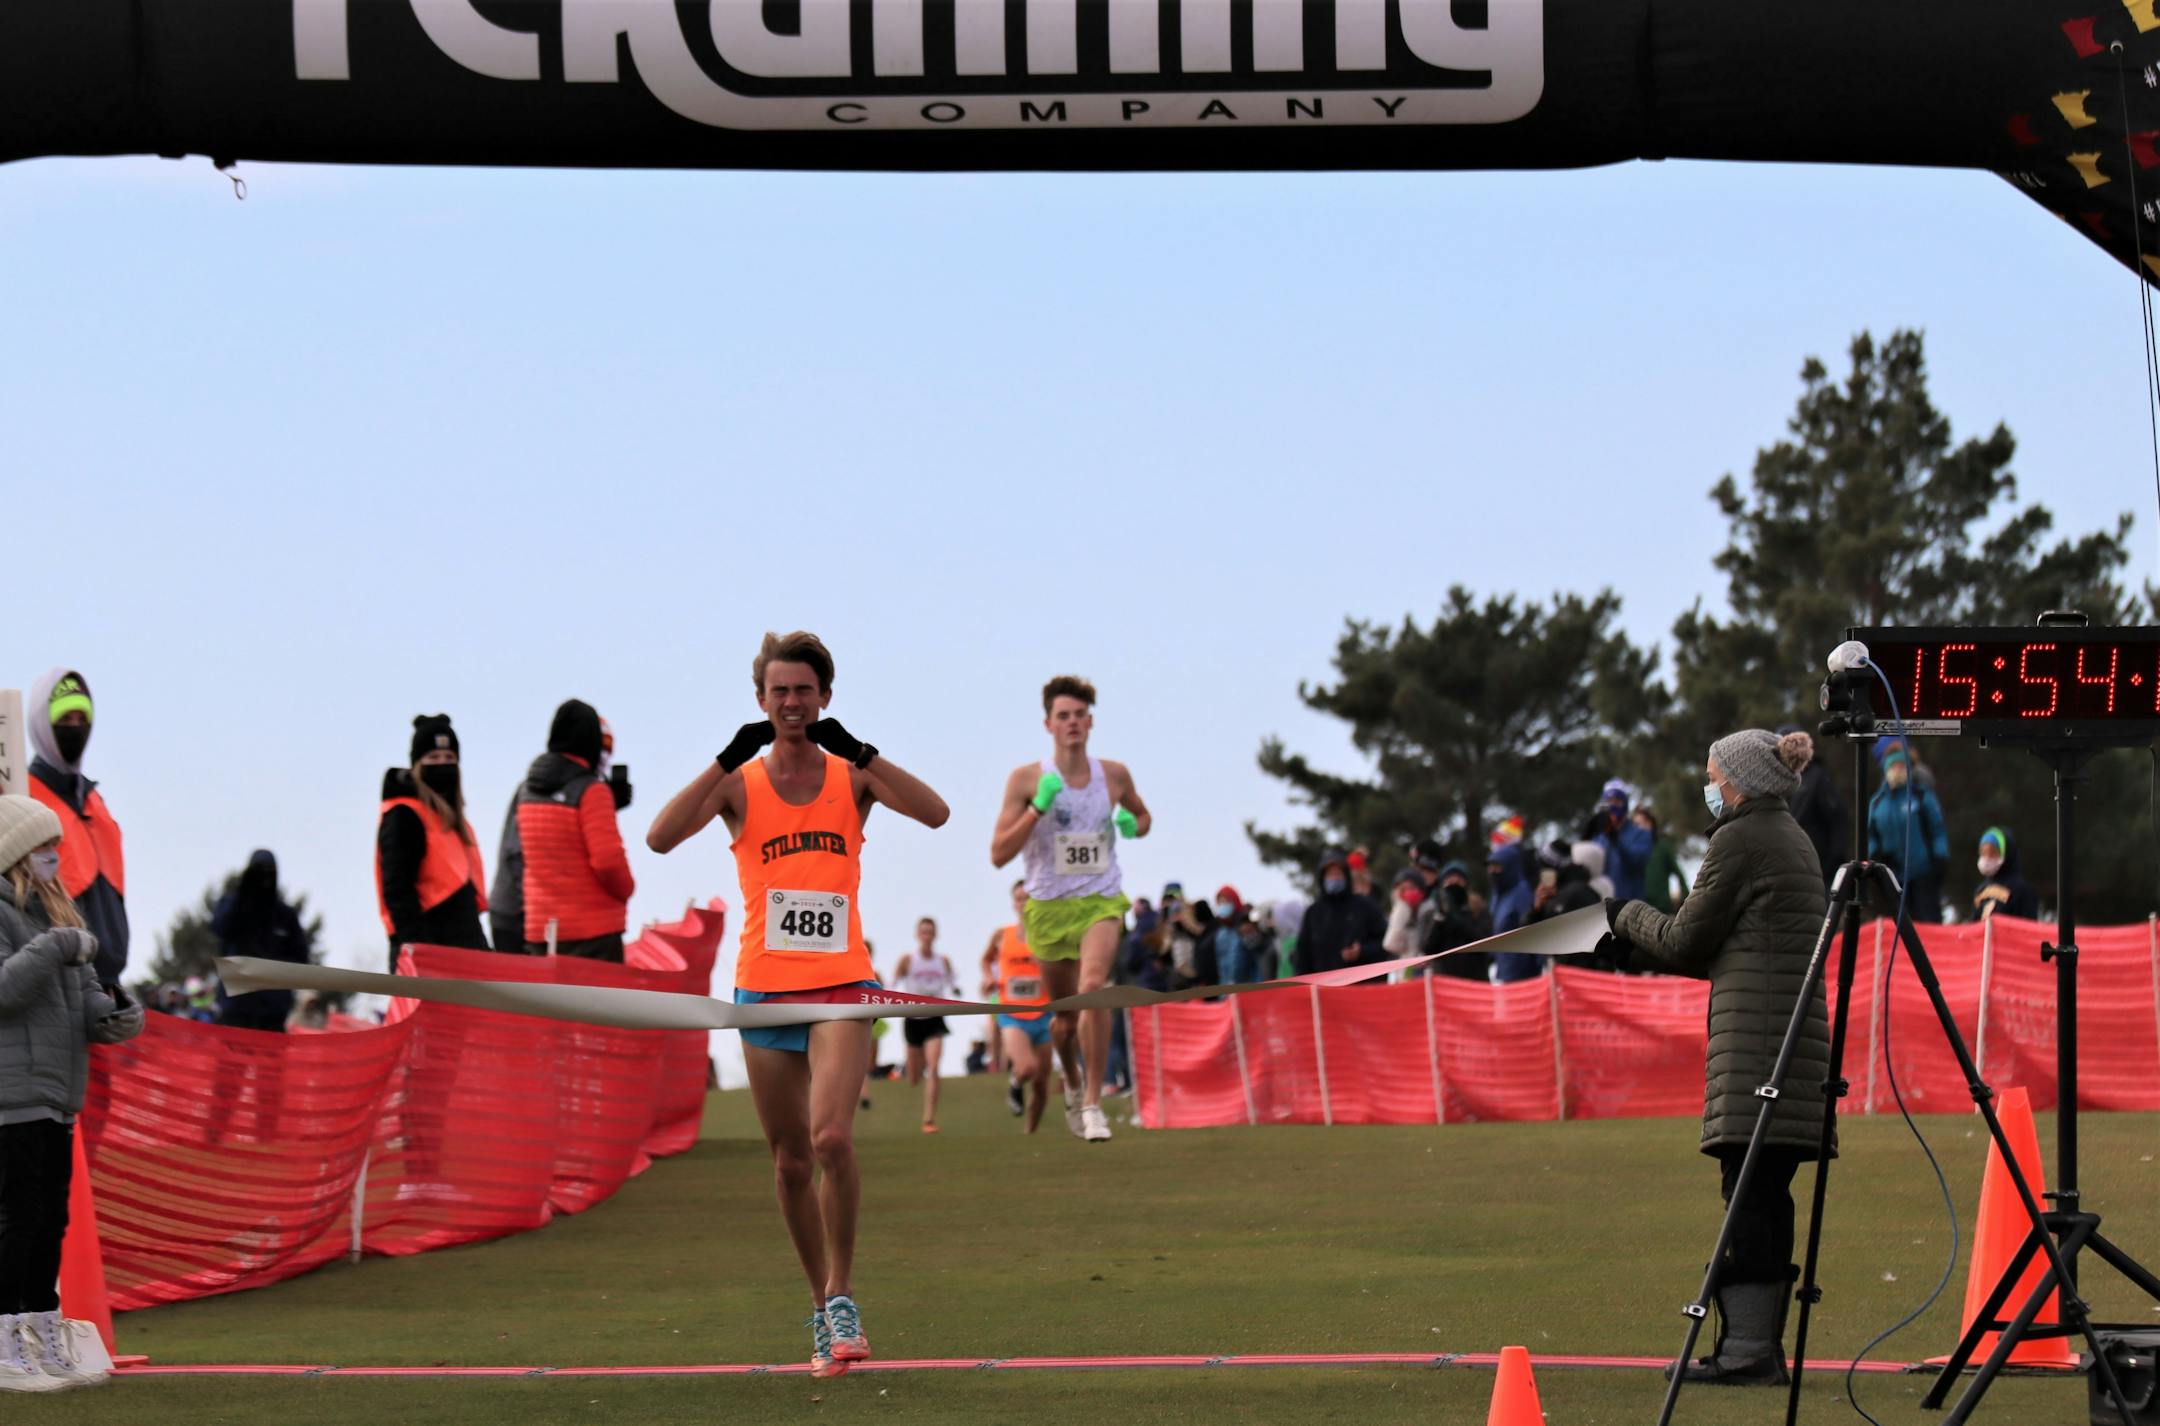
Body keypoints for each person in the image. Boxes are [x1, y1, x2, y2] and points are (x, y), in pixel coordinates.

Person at [646, 630, 948, 1379]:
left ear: (825, 698)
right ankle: (820, 1309)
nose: (791, 703)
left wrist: (866, 753)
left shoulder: (852, 776)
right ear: (760, 701)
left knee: (832, 1140)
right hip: (762, 992)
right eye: (779, 691)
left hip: (843, 987)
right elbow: (657, 839)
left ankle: (844, 1296)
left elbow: (937, 814)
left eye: (804, 691)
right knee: (788, 1163)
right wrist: (722, 759)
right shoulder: (738, 783)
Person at [1601, 729, 1830, 1388]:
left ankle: (1749, 1351)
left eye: (1712, 774)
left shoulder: (1741, 838)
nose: (1709, 786)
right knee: (1762, 1193)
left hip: (1759, 1051)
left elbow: (1687, 935)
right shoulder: (1790, 838)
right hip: (1787, 1045)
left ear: (1737, 779)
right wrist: (1637, 951)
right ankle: (1752, 1345)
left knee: (1751, 1198)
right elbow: (1730, 949)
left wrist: (1622, 917)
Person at [0, 794, 144, 1391]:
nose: (54, 857)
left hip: (60, 1096)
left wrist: (117, 1013)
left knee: (47, 1220)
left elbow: (86, 1000)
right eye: (43, 847)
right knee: (15, 1218)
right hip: (12, 1094)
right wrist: (55, 947)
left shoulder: (63, 914)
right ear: (16, 853)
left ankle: (41, 1325)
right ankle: (5, 1335)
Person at [990, 675, 1150, 1145]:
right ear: (1048, 724)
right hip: (1047, 908)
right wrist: (1037, 809)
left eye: (1080, 715)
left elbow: (1142, 816)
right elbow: (999, 854)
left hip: (1101, 899)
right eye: (1064, 716)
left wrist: (1131, 822)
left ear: (1091, 721)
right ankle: (1074, 1083)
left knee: (1095, 988)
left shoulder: (1114, 775)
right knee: (1063, 1021)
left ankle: (1095, 1103)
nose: (1073, 723)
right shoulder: (1026, 779)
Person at [500, 700, 637, 960]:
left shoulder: (528, 791)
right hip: (594, 933)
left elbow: (557, 838)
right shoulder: (592, 791)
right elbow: (608, 862)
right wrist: (627, 889)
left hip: (543, 932)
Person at [24, 670, 127, 985]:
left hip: (107, 981)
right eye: (63, 718)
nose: (74, 727)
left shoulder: (95, 801)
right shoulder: (22, 796)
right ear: (43, 723)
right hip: (57, 977)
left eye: (81, 717)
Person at [376, 714, 489, 966]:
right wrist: (420, 953)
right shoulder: (404, 814)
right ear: (417, 764)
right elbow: (398, 890)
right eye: (433, 758)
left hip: (464, 951)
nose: (442, 765)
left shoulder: (456, 824)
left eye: (449, 758)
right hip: (429, 951)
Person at [211, 850, 310, 1031]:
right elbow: (220, 927)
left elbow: (301, 958)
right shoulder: (233, 904)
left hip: (272, 1014)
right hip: (235, 1009)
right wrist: (244, 892)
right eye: (258, 870)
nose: (263, 876)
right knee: (231, 1058)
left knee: (271, 1059)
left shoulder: (285, 916)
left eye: (269, 871)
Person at [987, 882, 1055, 1132]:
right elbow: (986, 960)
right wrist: (988, 978)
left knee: (1041, 1082)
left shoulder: (1048, 934)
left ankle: (1031, 1131)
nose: (1023, 903)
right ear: (1013, 903)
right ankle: (1015, 1085)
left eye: (1028, 898)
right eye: (1019, 898)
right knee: (1027, 1067)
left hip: (1044, 1013)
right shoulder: (1002, 935)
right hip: (1012, 1013)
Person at [1865, 738, 1950, 926]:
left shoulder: (1922, 796)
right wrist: (1875, 856)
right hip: (1893, 878)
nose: (1898, 769)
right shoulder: (1878, 802)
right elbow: (1871, 835)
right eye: (1894, 765)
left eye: (1901, 765)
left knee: (1927, 923)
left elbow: (1937, 828)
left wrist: (1940, 858)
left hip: (1922, 874)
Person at [893, 917, 958, 1134]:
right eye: (923, 932)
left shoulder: (943, 961)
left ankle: (928, 1119)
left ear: (935, 935)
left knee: (934, 1067)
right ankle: (907, 1068)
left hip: (935, 1018)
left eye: (930, 932)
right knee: (914, 1077)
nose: (927, 936)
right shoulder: (908, 960)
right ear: (917, 935)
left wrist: (957, 991)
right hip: (913, 1018)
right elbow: (893, 983)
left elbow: (952, 982)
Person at [1291, 850, 1388, 975]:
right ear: (1322, 878)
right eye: (1330, 874)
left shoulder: (1365, 906)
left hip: (1361, 985)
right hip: (1323, 989)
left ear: (1346, 876)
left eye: (1338, 874)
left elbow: (1385, 942)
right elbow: (1303, 955)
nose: (1334, 878)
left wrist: (1362, 951)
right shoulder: (1313, 913)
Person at [1783, 726, 1848, 886]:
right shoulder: (1780, 780)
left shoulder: (1817, 777)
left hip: (1818, 864)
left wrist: (1835, 858)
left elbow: (1837, 817)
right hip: (1790, 866)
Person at [1586, 779, 1653, 902]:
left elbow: (1638, 862)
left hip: (1633, 906)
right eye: (1608, 802)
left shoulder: (1641, 834)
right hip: (1603, 907)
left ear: (1625, 803)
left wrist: (1615, 837)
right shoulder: (1598, 838)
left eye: (1617, 802)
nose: (1612, 806)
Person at [1485, 841, 1539, 983]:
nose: (1492, 871)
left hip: (1522, 974)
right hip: (1502, 969)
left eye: (1497, 866)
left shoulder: (1522, 893)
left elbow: (1530, 931)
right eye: (1490, 867)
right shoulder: (1497, 894)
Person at [1972, 827, 2040, 921]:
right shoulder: (1981, 890)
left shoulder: (2022, 891)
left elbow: (2027, 928)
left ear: (2006, 853)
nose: (1986, 859)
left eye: (1992, 853)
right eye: (1983, 853)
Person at [1637, 809, 1692, 914]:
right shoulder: (1631, 849)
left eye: (1641, 824)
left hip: (1661, 909)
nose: (1638, 828)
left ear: (1650, 824)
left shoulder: (1662, 847)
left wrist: (1685, 901)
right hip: (1638, 908)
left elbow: (1679, 874)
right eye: (1635, 824)